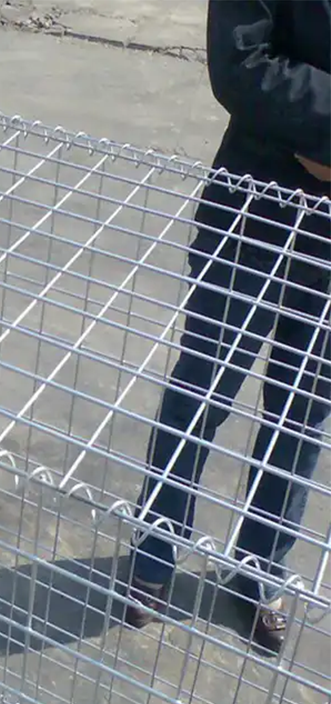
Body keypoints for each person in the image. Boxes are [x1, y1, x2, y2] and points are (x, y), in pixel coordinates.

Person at [125, 0, 331, 656]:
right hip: (254, 205)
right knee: (203, 387)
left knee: (303, 410)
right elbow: (240, 63)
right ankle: (156, 550)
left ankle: (260, 566)